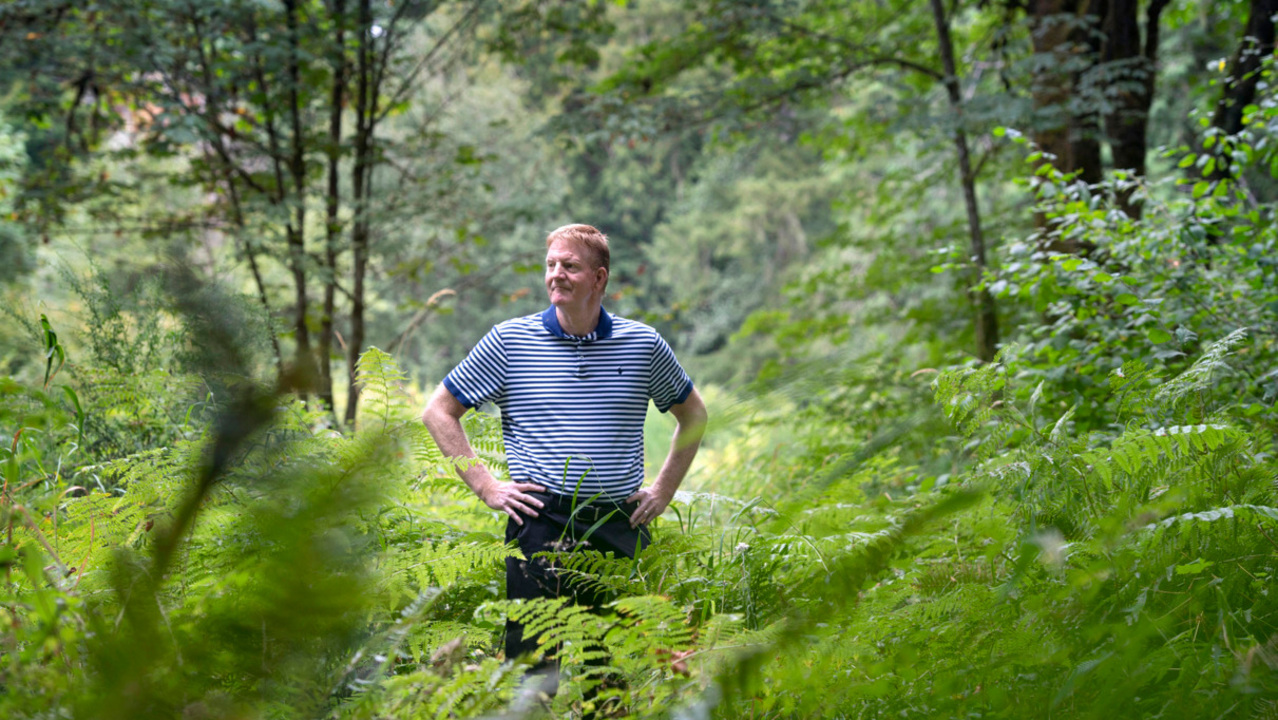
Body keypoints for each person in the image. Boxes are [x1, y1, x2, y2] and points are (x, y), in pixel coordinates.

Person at [420, 223, 708, 677]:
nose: (556, 274)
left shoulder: (643, 345)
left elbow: (694, 415)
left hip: (617, 524)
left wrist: (664, 491)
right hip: (539, 522)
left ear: (599, 278)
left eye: (570, 266)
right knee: (534, 669)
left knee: (610, 673)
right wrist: (486, 487)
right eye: (551, 265)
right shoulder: (509, 341)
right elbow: (438, 411)